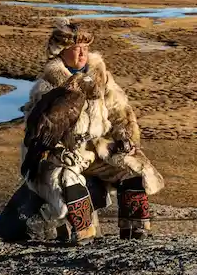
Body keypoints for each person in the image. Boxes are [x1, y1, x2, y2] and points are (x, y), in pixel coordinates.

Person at [10, 18, 164, 241]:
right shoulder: (48, 87)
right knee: (67, 178)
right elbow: (38, 135)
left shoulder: (102, 78)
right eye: (75, 49)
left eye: (85, 48)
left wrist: (125, 138)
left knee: (132, 168)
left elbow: (120, 113)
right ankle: (85, 233)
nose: (81, 54)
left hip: (97, 148)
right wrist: (58, 152)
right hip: (64, 153)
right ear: (61, 52)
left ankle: (135, 231)